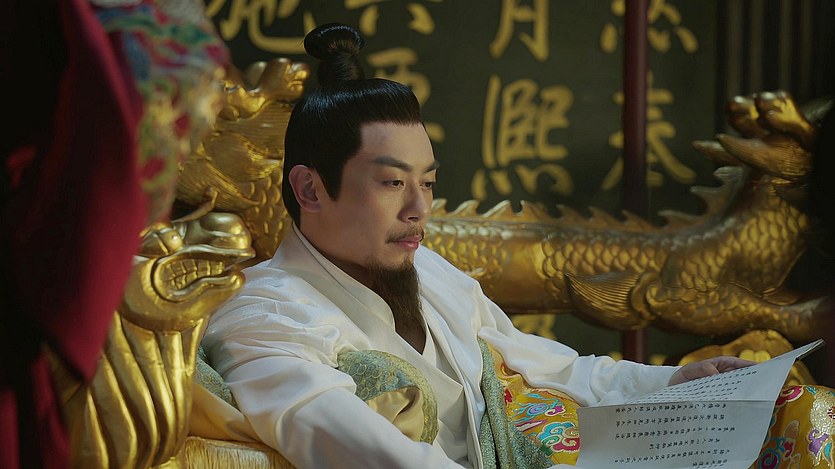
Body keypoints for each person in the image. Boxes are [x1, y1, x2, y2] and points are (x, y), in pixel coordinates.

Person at [201, 23, 753, 469]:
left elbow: (550, 368)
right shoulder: (264, 311)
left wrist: (671, 382)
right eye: (392, 182)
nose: (419, 208)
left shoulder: (431, 272)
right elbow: (349, 443)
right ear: (309, 189)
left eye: (428, 182)